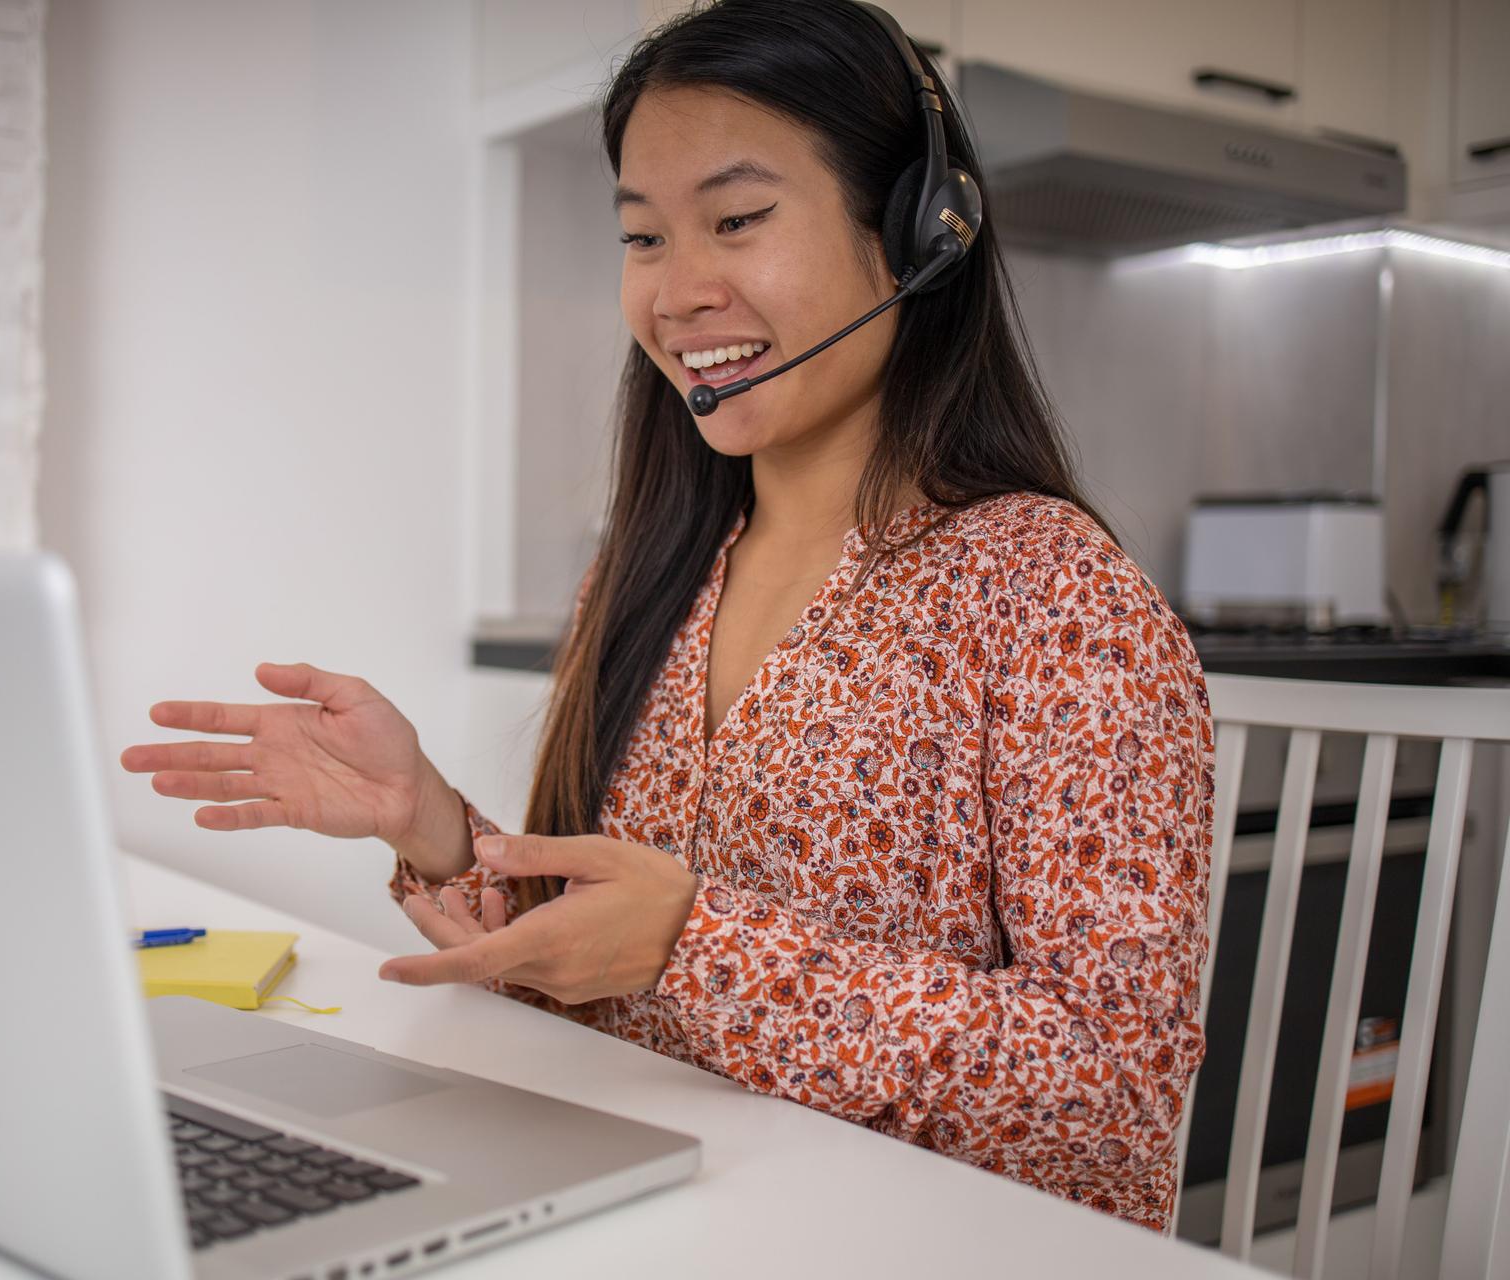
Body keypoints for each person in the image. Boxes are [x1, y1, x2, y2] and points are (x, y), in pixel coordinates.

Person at [121, 0, 1214, 1233]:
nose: (680, 292)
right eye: (644, 236)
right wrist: (438, 832)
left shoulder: (1058, 598)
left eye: (739, 219)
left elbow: (1115, 1092)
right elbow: (604, 980)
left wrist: (692, 944)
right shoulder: (652, 568)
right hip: (670, 1208)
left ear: (921, 230)